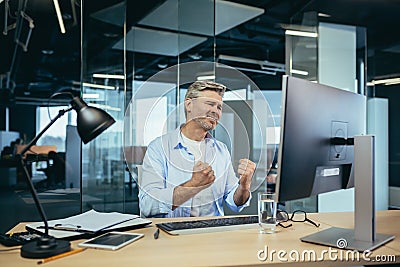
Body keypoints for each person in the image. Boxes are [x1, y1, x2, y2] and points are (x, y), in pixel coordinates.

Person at [138, 80, 256, 217]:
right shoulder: (159, 148)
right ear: (189, 104)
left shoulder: (221, 150)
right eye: (210, 104)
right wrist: (193, 185)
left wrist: (244, 186)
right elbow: (147, 205)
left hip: (213, 233)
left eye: (219, 107)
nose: (215, 111)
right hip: (174, 234)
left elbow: (234, 202)